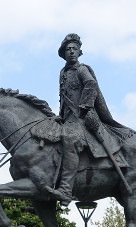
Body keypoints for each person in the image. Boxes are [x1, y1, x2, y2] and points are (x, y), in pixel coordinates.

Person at [50, 33, 130, 205]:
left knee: (69, 140)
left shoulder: (82, 69)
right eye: (68, 49)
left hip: (83, 120)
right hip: (68, 120)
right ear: (64, 54)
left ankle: (65, 188)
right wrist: (60, 116)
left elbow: (91, 84)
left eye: (74, 49)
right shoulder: (62, 73)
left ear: (79, 52)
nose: (71, 52)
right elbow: (65, 98)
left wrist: (85, 106)